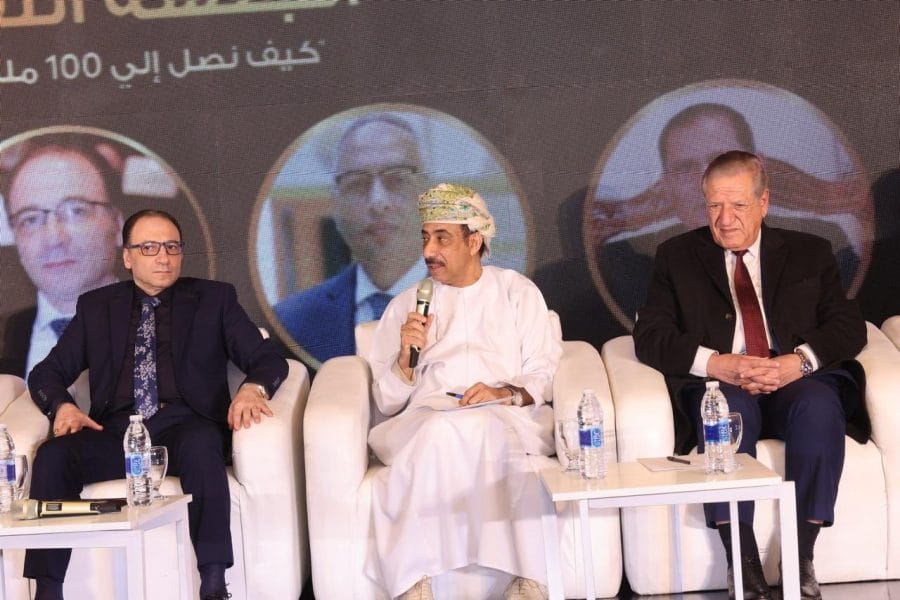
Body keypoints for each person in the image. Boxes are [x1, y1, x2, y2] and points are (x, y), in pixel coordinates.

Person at [633, 151, 869, 600]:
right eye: (714, 206)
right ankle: (741, 562)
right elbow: (651, 336)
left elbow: (848, 327)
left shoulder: (809, 252)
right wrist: (716, 363)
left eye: (738, 205)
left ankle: (801, 556)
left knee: (819, 406)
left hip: (795, 381)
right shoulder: (677, 257)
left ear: (764, 203)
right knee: (723, 412)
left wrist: (797, 362)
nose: (725, 220)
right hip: (726, 384)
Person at [25, 209, 288, 600]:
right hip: (116, 431)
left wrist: (253, 389)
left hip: (185, 425)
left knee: (202, 445)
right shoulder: (97, 307)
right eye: (149, 248)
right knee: (54, 457)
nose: (163, 257)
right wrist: (62, 407)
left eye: (172, 247)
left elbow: (269, 360)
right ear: (128, 257)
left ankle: (214, 582)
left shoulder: (214, 299)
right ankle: (47, 590)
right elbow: (46, 374)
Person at [366, 183, 561, 600]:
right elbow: (385, 400)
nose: (428, 251)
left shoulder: (516, 292)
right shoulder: (406, 305)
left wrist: (502, 392)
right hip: (429, 416)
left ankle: (528, 579)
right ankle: (414, 583)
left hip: (504, 412)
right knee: (440, 432)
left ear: (474, 242)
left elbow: (543, 370)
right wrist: (405, 359)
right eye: (425, 237)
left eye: (442, 239)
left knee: (486, 429)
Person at [594, 103, 865, 325]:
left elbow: (843, 328)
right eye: (685, 168)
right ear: (667, 184)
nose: (706, 181)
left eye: (721, 162)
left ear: (758, 168)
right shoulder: (639, 261)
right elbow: (656, 340)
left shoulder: (818, 245)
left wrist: (797, 362)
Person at [274, 113, 427, 363]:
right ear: (336, 204)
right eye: (357, 184)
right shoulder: (291, 324)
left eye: (397, 179)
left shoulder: (483, 304)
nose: (378, 202)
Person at [0, 134, 125, 378]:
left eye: (76, 211)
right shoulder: (6, 337)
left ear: (118, 225)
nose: (54, 238)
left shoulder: (178, 330)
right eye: (30, 219)